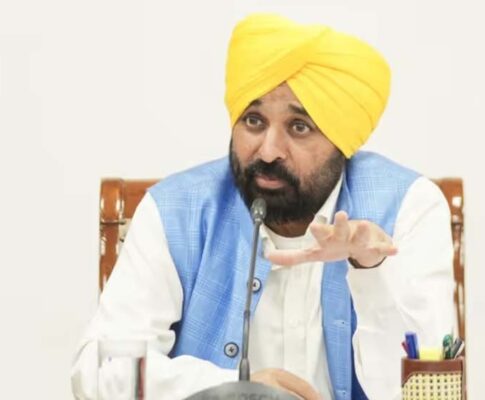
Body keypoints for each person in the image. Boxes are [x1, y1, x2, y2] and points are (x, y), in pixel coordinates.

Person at [71, 13, 455, 400]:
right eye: (254, 121)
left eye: (299, 127)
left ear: (343, 141)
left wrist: (371, 272)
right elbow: (101, 373)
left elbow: (428, 393)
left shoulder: (408, 208)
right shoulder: (176, 211)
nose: (269, 151)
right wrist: (234, 392)